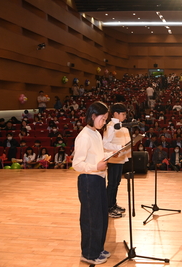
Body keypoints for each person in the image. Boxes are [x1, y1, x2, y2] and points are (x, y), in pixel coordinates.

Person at [72, 101, 111, 265]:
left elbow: (96, 153)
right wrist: (96, 166)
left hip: (99, 178)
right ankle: (88, 253)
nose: (104, 123)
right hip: (89, 180)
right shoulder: (84, 136)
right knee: (91, 218)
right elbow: (77, 164)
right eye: (102, 119)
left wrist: (111, 153)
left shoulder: (96, 133)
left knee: (101, 216)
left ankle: (97, 248)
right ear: (93, 116)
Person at [103, 103, 130, 218]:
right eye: (123, 114)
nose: (124, 116)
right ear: (115, 114)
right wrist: (118, 148)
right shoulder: (110, 126)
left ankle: (113, 204)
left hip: (119, 159)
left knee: (116, 183)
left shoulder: (119, 125)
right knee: (112, 184)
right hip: (113, 159)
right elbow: (105, 143)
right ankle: (108, 208)